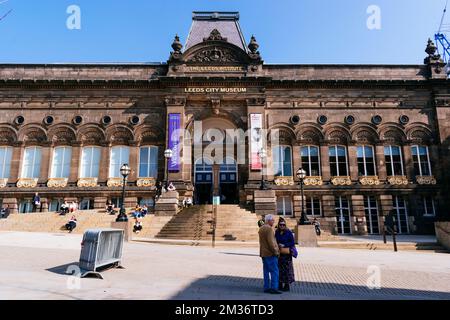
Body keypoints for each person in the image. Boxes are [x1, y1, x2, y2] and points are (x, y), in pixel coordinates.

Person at [258, 214, 282, 294]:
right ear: (268, 220)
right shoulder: (269, 229)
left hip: (263, 253)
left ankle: (266, 287)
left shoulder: (261, 228)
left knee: (266, 271)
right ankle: (274, 288)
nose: (274, 221)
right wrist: (276, 252)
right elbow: (271, 242)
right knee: (274, 271)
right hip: (270, 253)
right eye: (272, 220)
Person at [275, 219, 296, 292]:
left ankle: (287, 286)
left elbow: (292, 243)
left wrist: (284, 245)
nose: (282, 226)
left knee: (287, 270)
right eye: (280, 224)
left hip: (287, 255)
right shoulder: (276, 232)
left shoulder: (288, 232)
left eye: (283, 224)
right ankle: (280, 284)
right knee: (279, 269)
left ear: (285, 225)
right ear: (278, 225)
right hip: (279, 254)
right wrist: (278, 245)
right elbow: (274, 241)